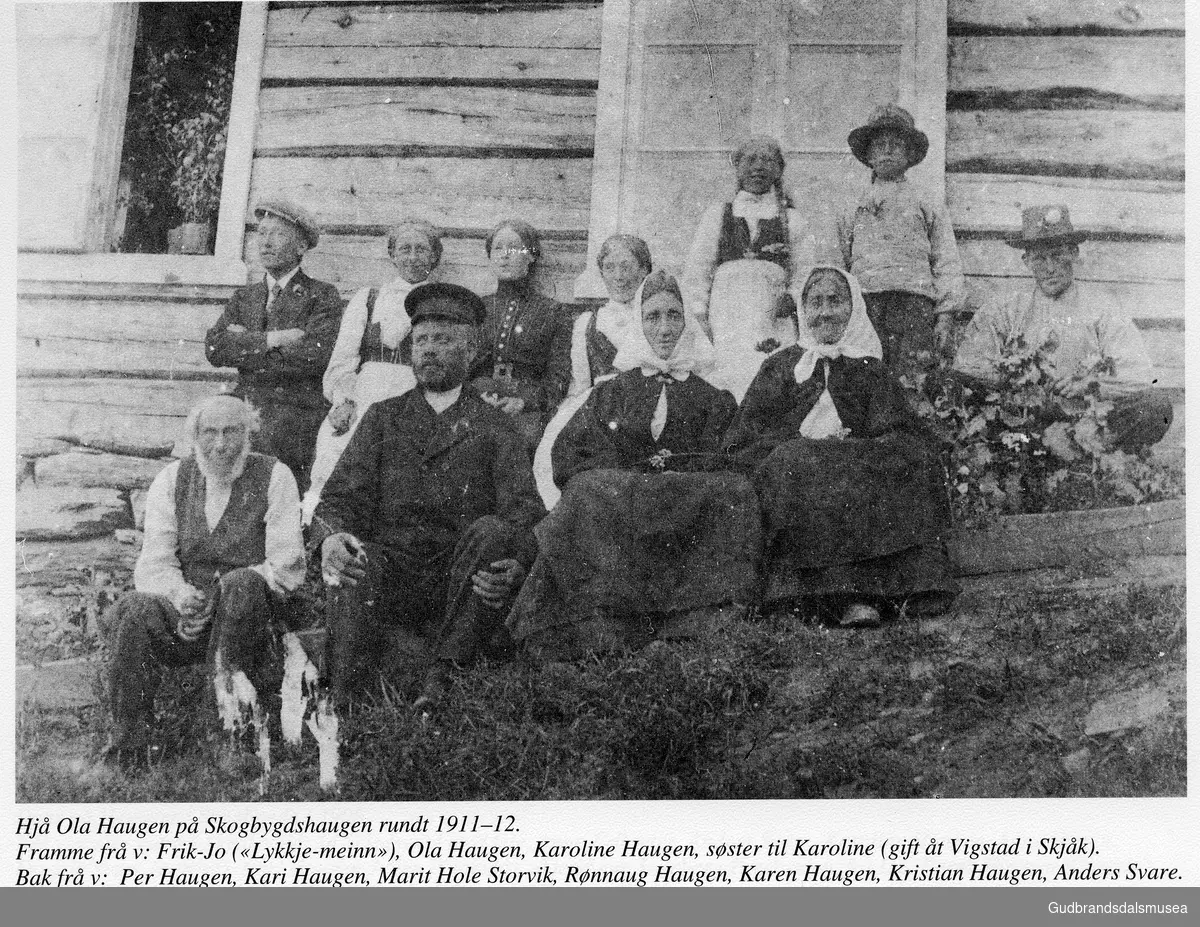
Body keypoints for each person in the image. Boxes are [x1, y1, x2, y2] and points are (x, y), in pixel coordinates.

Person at [312, 283, 545, 709]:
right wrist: (330, 538)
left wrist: (519, 563)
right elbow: (338, 499)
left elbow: (525, 512)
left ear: (472, 351)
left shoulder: (495, 426)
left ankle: (440, 682)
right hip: (392, 576)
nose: (429, 351)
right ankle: (341, 701)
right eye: (421, 341)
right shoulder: (384, 417)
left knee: (494, 532)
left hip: (459, 581)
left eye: (443, 340)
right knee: (352, 552)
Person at [509, 271, 761, 660]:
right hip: (622, 501)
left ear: (687, 323)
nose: (664, 329)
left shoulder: (713, 397)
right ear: (640, 325)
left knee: (734, 492)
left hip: (686, 502)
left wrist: (683, 472)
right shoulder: (611, 391)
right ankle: (604, 627)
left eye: (674, 316)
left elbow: (732, 456)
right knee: (588, 489)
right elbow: (571, 455)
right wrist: (630, 474)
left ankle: (693, 622)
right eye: (653, 317)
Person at [724, 266, 957, 628]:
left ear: (853, 308)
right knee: (796, 461)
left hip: (853, 464)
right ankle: (806, 597)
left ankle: (877, 593)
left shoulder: (870, 368)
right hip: (799, 466)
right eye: (815, 302)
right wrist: (801, 444)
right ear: (803, 310)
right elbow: (745, 437)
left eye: (835, 301)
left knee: (909, 457)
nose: (825, 311)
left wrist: (855, 445)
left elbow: (897, 428)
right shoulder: (780, 367)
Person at [104, 396, 306, 766]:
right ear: (194, 436)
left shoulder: (276, 476)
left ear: (249, 434)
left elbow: (286, 566)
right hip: (189, 617)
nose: (220, 444)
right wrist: (181, 597)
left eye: (231, 431)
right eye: (209, 432)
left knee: (243, 584)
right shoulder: (171, 479)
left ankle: (229, 732)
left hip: (252, 619)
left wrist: (223, 591)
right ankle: (129, 742)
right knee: (134, 608)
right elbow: (154, 564)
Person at [954, 205, 1173, 452]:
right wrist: (1016, 383)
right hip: (1021, 419)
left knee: (1155, 406)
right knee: (947, 384)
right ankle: (1025, 454)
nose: (1049, 267)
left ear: (1074, 253)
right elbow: (968, 365)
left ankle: (1086, 454)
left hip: (1086, 421)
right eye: (1039, 258)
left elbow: (1140, 376)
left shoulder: (1103, 309)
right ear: (1026, 261)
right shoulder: (1005, 309)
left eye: (1057, 255)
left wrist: (1090, 384)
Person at [302, 218, 442, 521]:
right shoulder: (369, 299)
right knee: (335, 454)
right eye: (404, 249)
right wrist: (344, 400)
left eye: (421, 249)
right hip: (368, 392)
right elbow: (342, 361)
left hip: (417, 394)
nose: (413, 256)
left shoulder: (443, 302)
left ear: (434, 256)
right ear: (392, 255)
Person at [205, 199, 344, 493]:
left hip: (294, 412)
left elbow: (314, 355)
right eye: (262, 233)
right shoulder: (245, 297)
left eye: (278, 234)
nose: (266, 242)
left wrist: (243, 342)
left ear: (301, 247)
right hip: (245, 406)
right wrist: (274, 339)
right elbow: (216, 348)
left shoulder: (321, 296)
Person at [682, 136, 817, 400]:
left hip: (771, 316)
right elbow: (698, 271)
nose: (758, 166)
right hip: (725, 315)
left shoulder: (792, 220)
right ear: (737, 167)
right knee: (726, 376)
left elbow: (806, 272)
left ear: (779, 170)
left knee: (769, 375)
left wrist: (791, 298)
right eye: (750, 159)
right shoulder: (717, 215)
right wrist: (699, 316)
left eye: (767, 160)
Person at [837, 104, 965, 383]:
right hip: (866, 303)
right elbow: (840, 259)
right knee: (866, 376)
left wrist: (945, 314)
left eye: (896, 145)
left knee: (912, 377)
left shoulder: (925, 200)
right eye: (879, 145)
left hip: (914, 304)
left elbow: (946, 258)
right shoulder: (854, 203)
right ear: (868, 155)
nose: (887, 151)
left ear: (909, 155)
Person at [468, 219, 572, 446]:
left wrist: (524, 402)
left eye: (514, 248)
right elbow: (463, 369)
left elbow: (559, 379)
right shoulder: (476, 308)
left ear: (531, 255)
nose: (505, 255)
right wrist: (476, 396)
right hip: (477, 404)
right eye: (498, 248)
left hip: (527, 412)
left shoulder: (553, 312)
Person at [567, 233, 654, 397]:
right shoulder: (587, 324)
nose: (618, 277)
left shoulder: (659, 317)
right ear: (602, 273)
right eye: (609, 268)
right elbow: (580, 388)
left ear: (644, 270)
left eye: (626, 267)